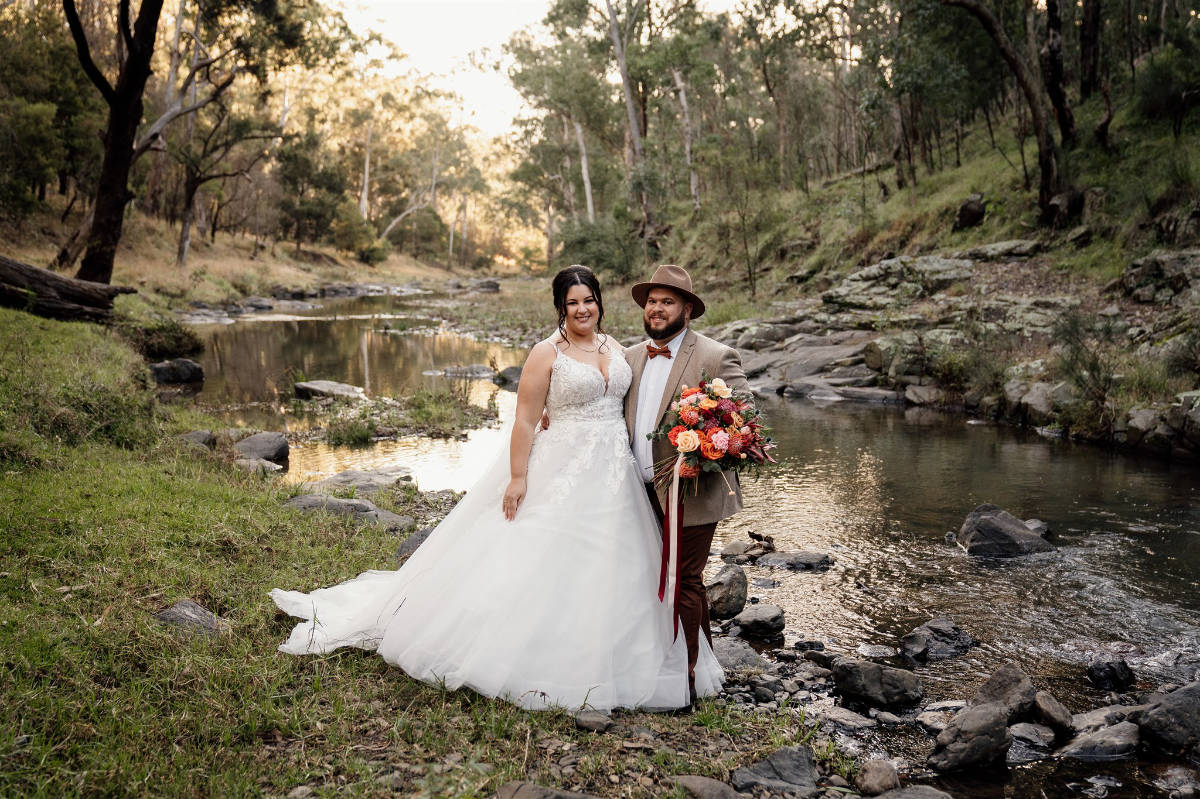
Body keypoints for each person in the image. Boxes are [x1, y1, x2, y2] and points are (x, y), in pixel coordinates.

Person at [270, 265, 722, 712]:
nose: (582, 309)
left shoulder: (617, 348)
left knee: (624, 564)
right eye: (572, 303)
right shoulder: (546, 353)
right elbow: (526, 417)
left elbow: (636, 404)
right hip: (562, 467)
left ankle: (634, 651)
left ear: (600, 302)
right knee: (537, 554)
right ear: (560, 309)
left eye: (589, 300)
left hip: (616, 474)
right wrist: (519, 476)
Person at [624, 264, 749, 704]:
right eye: (652, 302)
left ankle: (689, 679)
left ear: (687, 310)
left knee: (686, 580)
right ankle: (696, 661)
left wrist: (708, 445)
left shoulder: (715, 356)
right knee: (655, 578)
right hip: (636, 492)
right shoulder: (630, 357)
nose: (657, 310)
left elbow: (745, 422)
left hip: (692, 491)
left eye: (668, 302)